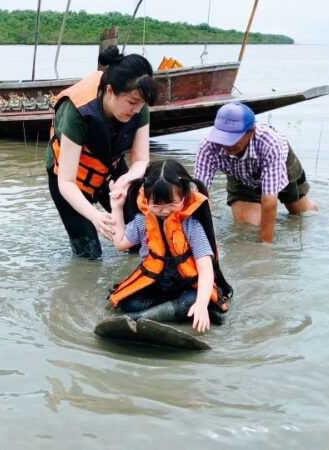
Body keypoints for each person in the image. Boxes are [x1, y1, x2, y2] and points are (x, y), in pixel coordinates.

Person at [46, 46, 157, 259]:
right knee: (90, 256)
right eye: (132, 103)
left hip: (111, 169)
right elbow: (65, 182)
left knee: (138, 239)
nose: (136, 110)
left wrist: (127, 180)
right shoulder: (77, 111)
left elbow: (141, 160)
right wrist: (96, 216)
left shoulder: (139, 106)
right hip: (71, 179)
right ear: (109, 91)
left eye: (141, 104)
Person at [106, 159, 233, 332]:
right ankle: (165, 313)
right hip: (157, 285)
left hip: (186, 286)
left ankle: (138, 320)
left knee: (193, 300)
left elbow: (205, 269)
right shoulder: (143, 222)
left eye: (171, 204)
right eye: (156, 205)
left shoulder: (191, 226)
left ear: (185, 197)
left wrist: (202, 305)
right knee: (129, 302)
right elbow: (120, 243)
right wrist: (117, 208)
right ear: (146, 198)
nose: (164, 210)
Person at [194, 102, 318, 243]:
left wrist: (265, 246)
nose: (226, 145)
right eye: (222, 138)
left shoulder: (270, 142)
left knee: (302, 213)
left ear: (251, 131)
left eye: (232, 139)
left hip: (282, 166)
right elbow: (199, 195)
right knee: (247, 227)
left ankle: (311, 206)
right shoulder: (208, 146)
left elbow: (269, 201)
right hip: (240, 176)